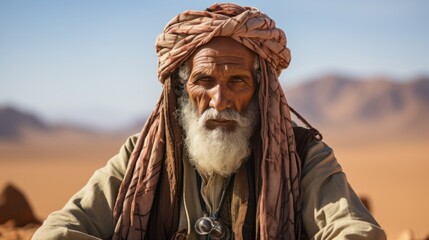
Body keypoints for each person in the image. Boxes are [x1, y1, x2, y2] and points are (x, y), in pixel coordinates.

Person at [33, 3, 386, 240]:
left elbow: (352, 230)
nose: (220, 101)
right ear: (182, 91)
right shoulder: (142, 157)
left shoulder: (305, 155)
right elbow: (61, 230)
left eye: (237, 82)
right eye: (204, 82)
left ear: (261, 91)